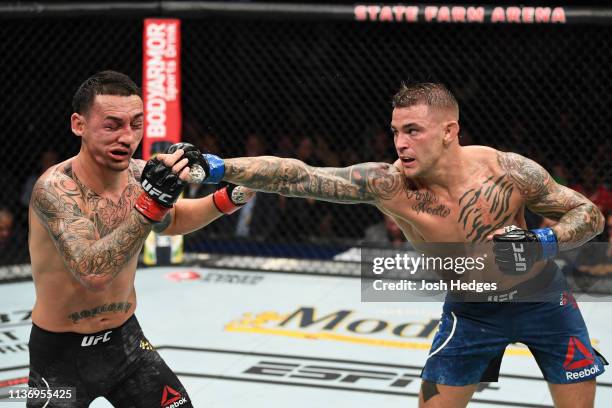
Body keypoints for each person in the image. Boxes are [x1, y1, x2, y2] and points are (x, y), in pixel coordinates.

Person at [195, 82, 606, 407]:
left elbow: (589, 215)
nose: (401, 143)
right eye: (396, 132)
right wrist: (219, 167)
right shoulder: (389, 185)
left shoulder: (508, 171)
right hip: (473, 310)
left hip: (543, 300)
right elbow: (297, 175)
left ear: (449, 132)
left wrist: (542, 240)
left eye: (413, 131)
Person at [27, 70, 253, 408]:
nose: (127, 137)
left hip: (126, 344)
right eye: (112, 125)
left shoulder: (137, 174)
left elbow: (171, 219)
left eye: (136, 124)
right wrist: (150, 205)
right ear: (79, 124)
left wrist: (227, 199)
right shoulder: (55, 189)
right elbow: (92, 271)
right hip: (59, 358)